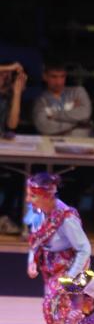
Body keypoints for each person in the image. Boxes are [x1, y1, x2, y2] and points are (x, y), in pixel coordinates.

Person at [26, 173, 92, 324]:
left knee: (53, 306)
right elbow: (35, 239)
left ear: (47, 196)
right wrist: (32, 261)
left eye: (33, 195)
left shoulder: (66, 217)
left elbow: (84, 248)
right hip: (51, 265)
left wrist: (71, 278)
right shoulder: (37, 211)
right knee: (56, 310)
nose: (29, 199)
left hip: (71, 267)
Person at [32, 57, 93, 138]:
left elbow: (85, 114)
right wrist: (78, 123)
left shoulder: (78, 92)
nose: (59, 82)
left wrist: (55, 115)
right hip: (52, 145)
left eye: (62, 76)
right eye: (54, 77)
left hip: (81, 143)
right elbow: (44, 126)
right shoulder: (41, 100)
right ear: (45, 77)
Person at [0, 61, 27, 234]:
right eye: (1, 74)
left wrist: (17, 94)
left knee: (19, 173)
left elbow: (12, 124)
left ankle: (3, 215)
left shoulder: (5, 98)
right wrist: (11, 67)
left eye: (6, 76)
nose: (4, 78)